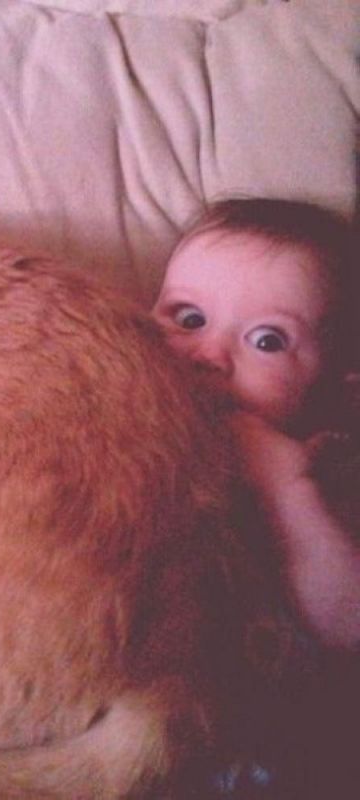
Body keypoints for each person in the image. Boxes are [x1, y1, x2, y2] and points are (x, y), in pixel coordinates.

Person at [151, 197, 360, 650]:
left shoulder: (335, 466)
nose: (210, 355)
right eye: (189, 318)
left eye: (267, 340)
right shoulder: (132, 422)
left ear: (337, 391)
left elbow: (349, 629)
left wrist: (286, 489)